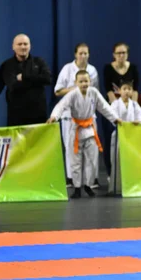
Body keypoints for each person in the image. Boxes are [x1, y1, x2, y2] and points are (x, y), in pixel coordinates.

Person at [47, 70, 121, 198]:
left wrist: (115, 118)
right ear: (76, 82)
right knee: (75, 160)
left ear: (90, 81)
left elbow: (104, 107)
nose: (84, 84)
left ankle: (88, 185)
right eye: (80, 81)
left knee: (92, 160)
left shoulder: (94, 93)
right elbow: (61, 105)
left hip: (90, 130)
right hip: (75, 129)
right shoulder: (72, 94)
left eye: (86, 81)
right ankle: (76, 188)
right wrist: (54, 117)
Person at [54, 43, 100, 187]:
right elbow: (57, 91)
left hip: (89, 116)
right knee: (71, 149)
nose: (83, 56)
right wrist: (75, 89)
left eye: (85, 53)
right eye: (80, 53)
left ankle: (91, 179)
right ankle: (71, 179)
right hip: (70, 117)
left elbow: (96, 93)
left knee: (91, 150)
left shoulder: (92, 70)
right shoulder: (67, 69)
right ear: (75, 54)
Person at [102, 43, 139, 181]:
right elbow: (109, 91)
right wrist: (115, 113)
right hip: (113, 109)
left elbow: (135, 90)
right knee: (110, 141)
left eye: (123, 53)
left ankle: (129, 172)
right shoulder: (108, 69)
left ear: (127, 54)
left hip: (129, 109)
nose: (121, 55)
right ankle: (111, 173)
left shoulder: (133, 68)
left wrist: (133, 107)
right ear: (114, 55)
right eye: (118, 53)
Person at [1, 34, 52, 126]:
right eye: (19, 44)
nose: (23, 47)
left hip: (38, 115)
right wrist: (36, 81)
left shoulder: (39, 62)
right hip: (16, 116)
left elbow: (47, 79)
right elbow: (13, 86)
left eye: (25, 44)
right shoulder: (7, 65)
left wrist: (24, 77)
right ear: (13, 46)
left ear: (30, 46)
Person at [109, 81, 141, 194]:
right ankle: (116, 188)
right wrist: (122, 123)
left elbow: (140, 119)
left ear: (132, 91)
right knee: (116, 161)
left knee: (131, 162)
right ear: (119, 91)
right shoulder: (115, 104)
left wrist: (137, 122)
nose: (127, 91)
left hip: (131, 138)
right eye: (124, 88)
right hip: (118, 136)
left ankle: (130, 187)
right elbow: (112, 118)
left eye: (129, 89)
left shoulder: (135, 105)